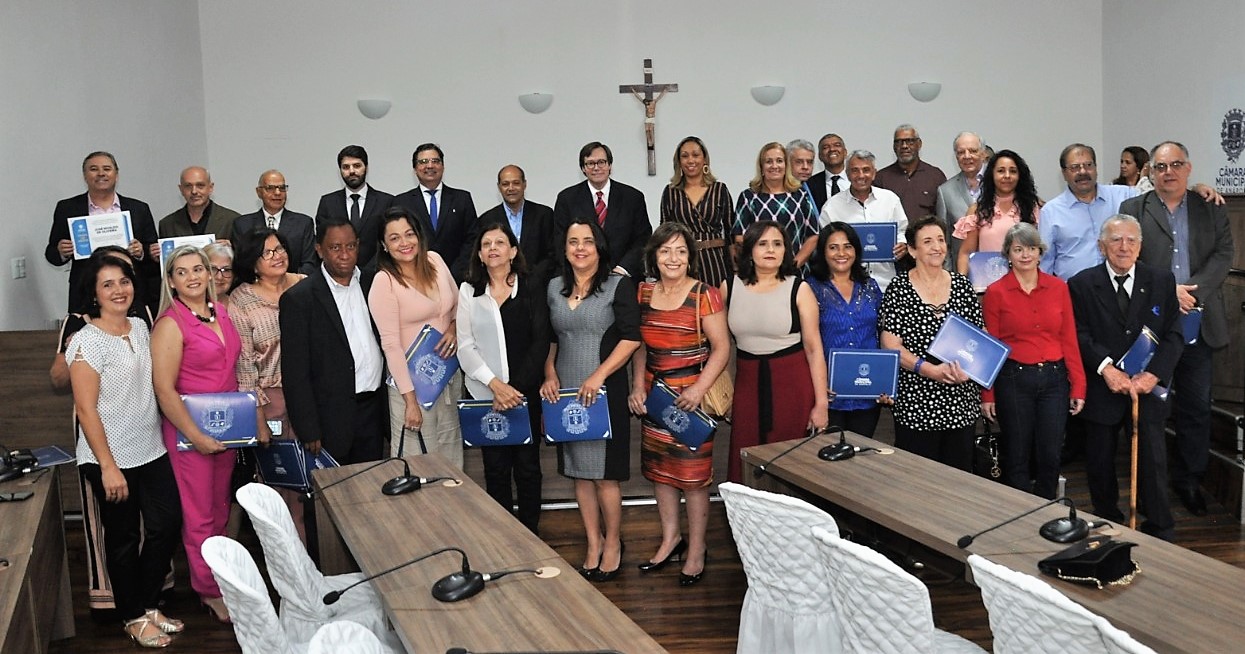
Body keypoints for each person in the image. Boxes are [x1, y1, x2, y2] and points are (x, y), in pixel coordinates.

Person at [66, 252, 183, 648]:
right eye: (108, 284)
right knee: (122, 539)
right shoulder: (85, 342)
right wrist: (108, 466)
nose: (119, 290)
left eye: (124, 281)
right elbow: (85, 409)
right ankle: (132, 616)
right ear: (94, 293)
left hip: (151, 447)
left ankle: (149, 603)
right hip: (108, 456)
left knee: (167, 524)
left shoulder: (139, 325)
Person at [1125, 141, 1234, 517]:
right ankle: (1152, 482)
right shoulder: (1133, 210)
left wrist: (1193, 291)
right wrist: (1169, 291)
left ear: (1188, 169)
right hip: (1153, 326)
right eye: (1160, 166)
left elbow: (1224, 254)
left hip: (1200, 323)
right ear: (1150, 172)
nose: (1168, 172)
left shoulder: (1211, 206)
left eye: (1176, 165)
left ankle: (1189, 479)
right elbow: (1127, 259)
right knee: (1153, 407)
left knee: (1195, 407)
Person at [1068, 215, 1183, 541]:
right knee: (1100, 464)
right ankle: (1107, 524)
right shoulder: (1081, 284)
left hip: (1147, 389)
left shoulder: (1161, 280)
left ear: (1140, 246)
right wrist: (1107, 369)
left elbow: (1174, 336)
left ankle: (1160, 528)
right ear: (1101, 246)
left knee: (1153, 462)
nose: (1124, 247)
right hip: (1104, 388)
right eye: (1116, 240)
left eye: (1131, 240)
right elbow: (1079, 334)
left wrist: (1153, 374)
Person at [627, 223, 729, 587]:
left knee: (693, 478)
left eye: (681, 251)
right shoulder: (643, 292)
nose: (674, 258)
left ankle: (697, 548)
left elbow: (722, 348)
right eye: (666, 250)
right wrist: (638, 384)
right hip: (656, 397)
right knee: (660, 471)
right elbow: (638, 345)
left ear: (691, 257)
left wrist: (699, 390)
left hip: (691, 400)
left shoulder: (706, 294)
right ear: (654, 256)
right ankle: (671, 539)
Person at [540, 218, 641, 583]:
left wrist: (599, 375)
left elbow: (631, 338)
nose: (580, 248)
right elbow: (550, 338)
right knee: (579, 474)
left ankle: (613, 543)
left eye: (587, 241)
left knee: (604, 477)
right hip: (565, 392)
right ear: (564, 249)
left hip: (604, 391)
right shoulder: (553, 288)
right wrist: (549, 372)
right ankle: (592, 543)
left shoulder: (618, 285)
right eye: (572, 242)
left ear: (599, 246)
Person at [150, 245, 246, 623]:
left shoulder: (220, 312)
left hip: (226, 432)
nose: (191, 277)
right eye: (181, 272)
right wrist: (196, 436)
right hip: (190, 437)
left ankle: (222, 580)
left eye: (197, 269)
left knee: (220, 510)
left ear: (209, 274)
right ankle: (208, 591)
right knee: (199, 516)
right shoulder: (170, 324)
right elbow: (164, 390)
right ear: (171, 282)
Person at [457, 221, 550, 534]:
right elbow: (465, 346)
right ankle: (504, 537)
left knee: (527, 468)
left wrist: (516, 389)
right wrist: (496, 387)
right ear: (480, 255)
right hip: (486, 397)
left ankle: (530, 534)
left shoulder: (531, 284)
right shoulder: (469, 290)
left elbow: (541, 340)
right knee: (495, 469)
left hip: (524, 394)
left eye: (499, 242)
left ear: (513, 250)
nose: (492, 248)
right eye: (486, 244)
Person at [981, 223, 1086, 498]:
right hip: (1013, 380)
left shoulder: (1059, 288)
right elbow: (991, 347)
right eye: (1018, 249)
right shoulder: (996, 292)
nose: (1025, 255)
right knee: (1017, 453)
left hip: (1054, 380)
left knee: (1050, 454)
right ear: (1008, 254)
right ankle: (1019, 514)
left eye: (1031, 248)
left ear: (1040, 252)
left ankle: (1047, 511)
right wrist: (988, 394)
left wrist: (1078, 386)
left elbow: (1070, 339)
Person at [726, 220, 829, 482]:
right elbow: (723, 346)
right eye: (762, 244)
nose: (770, 250)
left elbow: (814, 349)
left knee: (792, 464)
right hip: (747, 385)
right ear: (749, 250)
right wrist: (726, 392)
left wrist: (821, 404)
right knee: (745, 457)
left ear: (786, 250)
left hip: (792, 386)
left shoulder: (799, 288)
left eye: (777, 244)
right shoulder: (728, 286)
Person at [281, 216, 387, 465]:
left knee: (374, 491)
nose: (345, 254)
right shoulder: (299, 299)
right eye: (335, 247)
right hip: (331, 418)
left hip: (374, 411)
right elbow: (295, 373)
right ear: (319, 250)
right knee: (338, 498)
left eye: (351, 246)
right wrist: (308, 429)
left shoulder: (374, 283)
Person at [879, 216, 982, 470]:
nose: (937, 246)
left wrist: (969, 371)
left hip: (960, 401)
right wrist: (930, 370)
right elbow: (891, 346)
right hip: (916, 402)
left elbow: (979, 340)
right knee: (918, 481)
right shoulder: (899, 288)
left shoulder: (962, 286)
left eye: (940, 240)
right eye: (927, 241)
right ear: (912, 250)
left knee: (959, 479)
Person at [228, 228, 309, 540]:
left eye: (281, 248)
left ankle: (312, 564)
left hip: (308, 397)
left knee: (308, 485)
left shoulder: (304, 284)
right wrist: (259, 418)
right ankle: (289, 569)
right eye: (269, 252)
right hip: (270, 402)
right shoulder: (241, 301)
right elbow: (245, 367)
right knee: (279, 490)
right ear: (253, 261)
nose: (279, 256)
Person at [368, 206, 463, 466]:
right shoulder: (383, 282)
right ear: (384, 245)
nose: (404, 243)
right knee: (418, 463)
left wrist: (453, 330)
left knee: (451, 456)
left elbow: (457, 307)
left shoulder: (435, 260)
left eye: (409, 234)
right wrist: (410, 400)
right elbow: (391, 346)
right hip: (410, 386)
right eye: (394, 238)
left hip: (447, 377)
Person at [45, 151, 160, 314]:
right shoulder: (67, 208)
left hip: (130, 293)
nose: (101, 174)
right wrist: (61, 251)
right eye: (93, 169)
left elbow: (153, 253)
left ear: (116, 174)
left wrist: (141, 252)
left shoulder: (139, 208)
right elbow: (51, 254)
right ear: (85, 176)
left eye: (107, 168)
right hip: (85, 293)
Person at [806, 222, 888, 437]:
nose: (841, 253)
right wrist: (818, 389)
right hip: (828, 395)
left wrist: (885, 379)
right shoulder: (810, 288)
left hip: (868, 393)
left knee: (861, 456)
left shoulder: (871, 287)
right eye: (833, 247)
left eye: (847, 246)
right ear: (823, 252)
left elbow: (882, 335)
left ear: (856, 251)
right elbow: (806, 344)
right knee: (826, 462)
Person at [553, 141, 652, 278]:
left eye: (601, 162)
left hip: (623, 277)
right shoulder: (567, 199)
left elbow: (643, 238)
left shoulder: (633, 197)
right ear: (583, 168)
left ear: (610, 165)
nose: (596, 168)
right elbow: (560, 241)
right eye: (590, 163)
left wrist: (622, 269)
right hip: (580, 277)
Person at [818, 150, 909, 290]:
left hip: (887, 283)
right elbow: (825, 246)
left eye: (866, 170)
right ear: (847, 174)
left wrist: (902, 244)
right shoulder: (832, 207)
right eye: (855, 171)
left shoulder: (890, 200)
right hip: (847, 286)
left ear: (874, 173)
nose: (861, 176)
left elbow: (902, 231)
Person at [393, 143, 479, 282]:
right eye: (423, 162)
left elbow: (472, 239)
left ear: (443, 166)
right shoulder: (402, 202)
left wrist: (456, 272)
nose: (430, 166)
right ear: (415, 169)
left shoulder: (462, 199)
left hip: (457, 277)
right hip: (416, 278)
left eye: (435, 161)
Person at [660, 136, 734, 288]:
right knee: (685, 306)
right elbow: (664, 231)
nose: (690, 160)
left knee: (716, 304)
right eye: (685, 156)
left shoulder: (719, 189)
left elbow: (730, 229)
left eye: (695, 155)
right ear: (679, 162)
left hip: (715, 259)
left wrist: (735, 265)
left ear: (705, 159)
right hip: (682, 259)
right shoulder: (671, 191)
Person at [731, 142, 819, 268]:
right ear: (761, 167)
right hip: (759, 273)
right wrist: (762, 266)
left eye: (779, 161)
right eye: (769, 161)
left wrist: (793, 265)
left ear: (786, 165)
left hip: (795, 271)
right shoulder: (748, 197)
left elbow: (813, 236)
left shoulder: (800, 195)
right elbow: (740, 238)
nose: (774, 166)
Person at [954, 149, 1041, 274]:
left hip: (1025, 283)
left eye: (1013, 171)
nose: (1007, 176)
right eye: (1001, 171)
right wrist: (962, 286)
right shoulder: (978, 210)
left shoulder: (1033, 207)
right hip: (987, 285)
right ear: (992, 175)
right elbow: (966, 253)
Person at [314, 145, 395, 271]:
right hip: (338, 273)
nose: (351, 171)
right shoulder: (327, 203)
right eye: (346, 167)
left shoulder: (386, 201)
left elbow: (390, 240)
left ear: (366, 168)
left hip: (378, 272)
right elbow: (323, 242)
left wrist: (369, 270)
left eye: (357, 166)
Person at [476, 165, 556, 283]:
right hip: (500, 286)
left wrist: (534, 277)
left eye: (516, 183)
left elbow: (552, 253)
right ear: (499, 187)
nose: (511, 188)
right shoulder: (487, 220)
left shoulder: (544, 215)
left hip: (539, 284)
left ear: (525, 184)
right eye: (505, 184)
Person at [231, 170, 317, 275]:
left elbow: (310, 264)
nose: (277, 193)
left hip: (295, 287)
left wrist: (287, 282)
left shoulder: (303, 223)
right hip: (257, 287)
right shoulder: (242, 225)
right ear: (259, 192)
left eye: (282, 188)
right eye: (270, 188)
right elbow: (241, 265)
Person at [874, 124, 947, 221]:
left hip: (925, 235)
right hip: (893, 235)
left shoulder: (935, 176)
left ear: (919, 144)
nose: (904, 146)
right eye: (899, 142)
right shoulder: (881, 178)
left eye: (909, 141)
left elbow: (943, 217)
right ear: (894, 146)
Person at [935, 132, 987, 268]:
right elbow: (944, 240)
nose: (967, 156)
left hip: (997, 269)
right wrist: (949, 277)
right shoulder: (945, 191)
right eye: (961, 152)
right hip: (962, 272)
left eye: (973, 151)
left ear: (983, 153)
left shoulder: (1000, 183)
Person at [158, 166, 240, 240]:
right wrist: (155, 255)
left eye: (200, 185)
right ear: (181, 189)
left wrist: (233, 249)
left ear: (210, 188)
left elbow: (244, 254)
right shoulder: (167, 224)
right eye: (188, 186)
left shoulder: (232, 220)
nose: (194, 191)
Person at [808, 133, 848, 212]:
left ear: (845, 152)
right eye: (826, 147)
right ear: (820, 156)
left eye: (837, 145)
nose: (832, 149)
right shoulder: (810, 184)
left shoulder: (857, 179)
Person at [204, 242, 235, 309]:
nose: (219, 277)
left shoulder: (239, 306)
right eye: (213, 269)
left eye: (226, 270)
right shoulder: (183, 307)